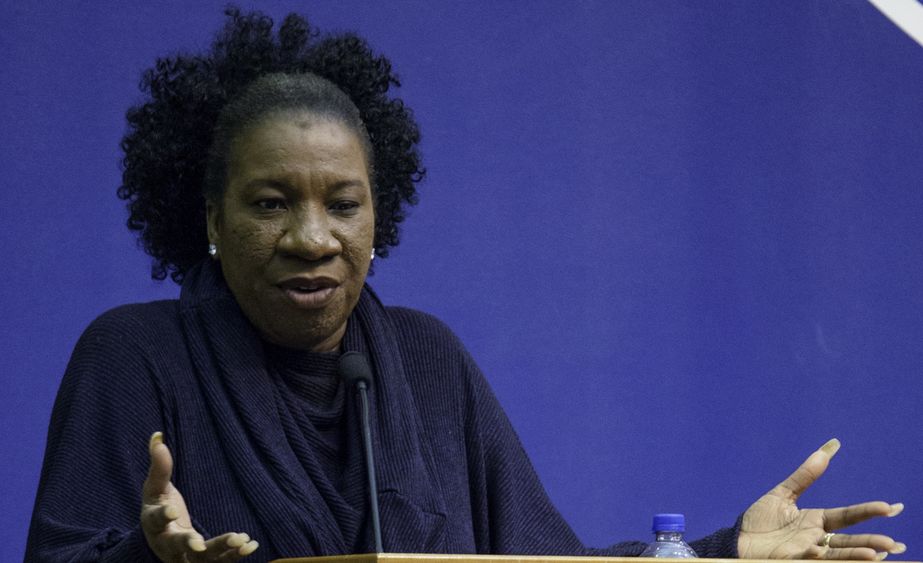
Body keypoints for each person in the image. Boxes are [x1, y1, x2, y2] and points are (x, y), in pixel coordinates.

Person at [26, 8, 905, 563]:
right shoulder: (133, 352)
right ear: (212, 219)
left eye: (342, 203)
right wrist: (147, 557)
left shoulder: (423, 360)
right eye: (268, 203)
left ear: (381, 215)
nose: (311, 237)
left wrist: (716, 553)